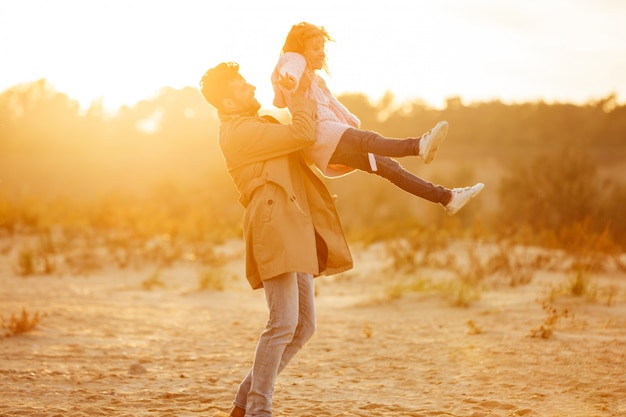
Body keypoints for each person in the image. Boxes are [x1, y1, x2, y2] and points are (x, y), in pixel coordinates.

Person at [199, 62, 353, 417]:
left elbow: (306, 143)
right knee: (283, 322)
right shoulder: (239, 133)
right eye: (241, 87)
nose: (251, 88)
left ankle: (243, 402)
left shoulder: (258, 125)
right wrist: (297, 94)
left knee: (304, 327)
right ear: (227, 101)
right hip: (273, 224)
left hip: (293, 223)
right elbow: (300, 133)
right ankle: (258, 409)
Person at [272, 22, 484, 216]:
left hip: (330, 141)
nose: (322, 54)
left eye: (322, 48)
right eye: (316, 48)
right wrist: (290, 80)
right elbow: (291, 68)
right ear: (301, 50)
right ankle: (418, 146)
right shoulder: (293, 59)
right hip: (324, 134)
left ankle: (447, 198)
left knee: (389, 168)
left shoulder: (315, 79)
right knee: (369, 140)